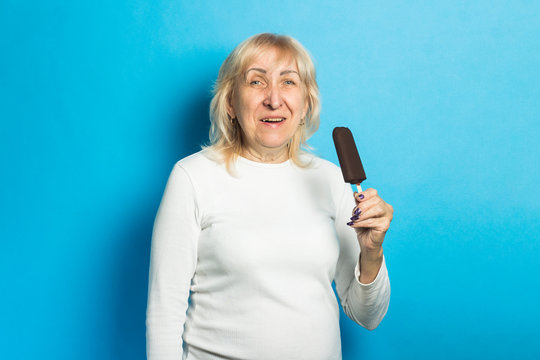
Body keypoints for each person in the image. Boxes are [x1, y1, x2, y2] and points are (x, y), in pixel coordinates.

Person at [146, 33, 393, 360]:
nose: (274, 99)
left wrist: (371, 252)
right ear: (231, 103)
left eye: (289, 82)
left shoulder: (332, 180)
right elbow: (164, 312)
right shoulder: (193, 177)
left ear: (306, 103)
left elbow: (368, 316)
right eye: (256, 82)